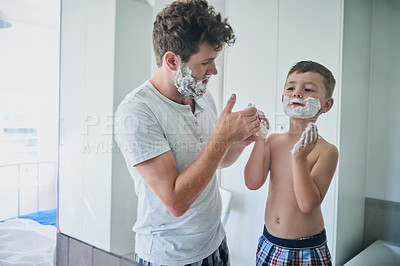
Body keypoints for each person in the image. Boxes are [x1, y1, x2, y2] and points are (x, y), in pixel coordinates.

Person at [114, 0, 261, 265]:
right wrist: (223, 136)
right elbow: (176, 202)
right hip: (171, 257)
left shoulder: (200, 95)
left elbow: (214, 160)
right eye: (207, 62)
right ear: (172, 60)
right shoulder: (137, 112)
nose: (213, 71)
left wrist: (239, 142)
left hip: (214, 243)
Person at [244, 60, 338, 266]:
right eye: (291, 87)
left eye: (308, 89)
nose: (297, 93)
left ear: (326, 105)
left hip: (306, 249)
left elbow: (307, 204)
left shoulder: (326, 151)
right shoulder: (273, 141)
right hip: (269, 242)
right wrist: (259, 139)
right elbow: (252, 183)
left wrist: (300, 159)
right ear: (283, 98)